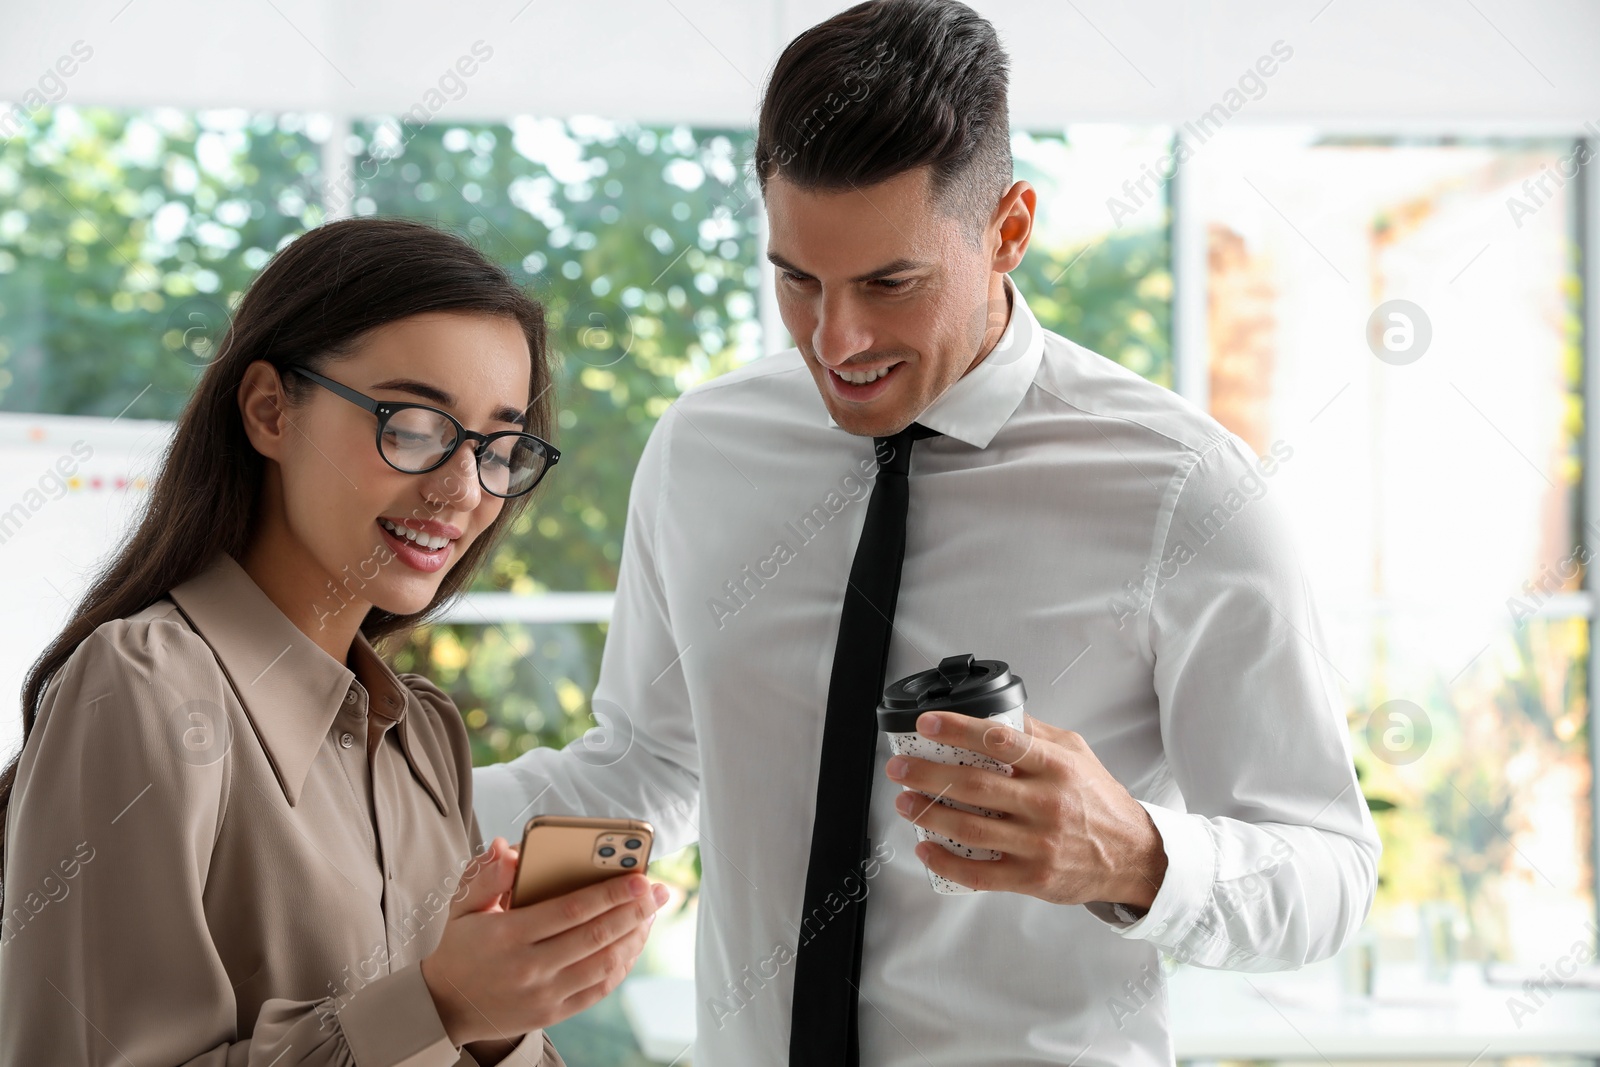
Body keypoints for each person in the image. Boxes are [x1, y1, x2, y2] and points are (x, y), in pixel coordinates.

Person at [473, 1, 1381, 1064]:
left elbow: (1332, 873)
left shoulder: (1183, 489)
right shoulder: (702, 451)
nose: (835, 339)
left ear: (1007, 228)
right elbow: (647, 764)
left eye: (888, 284)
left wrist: (1135, 853)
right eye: (796, 279)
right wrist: (360, 807)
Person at [0, 216, 669, 1066]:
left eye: (499, 446)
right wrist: (443, 1002)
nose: (462, 489)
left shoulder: (423, 737)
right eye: (417, 424)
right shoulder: (145, 688)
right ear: (270, 410)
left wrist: (499, 1019)